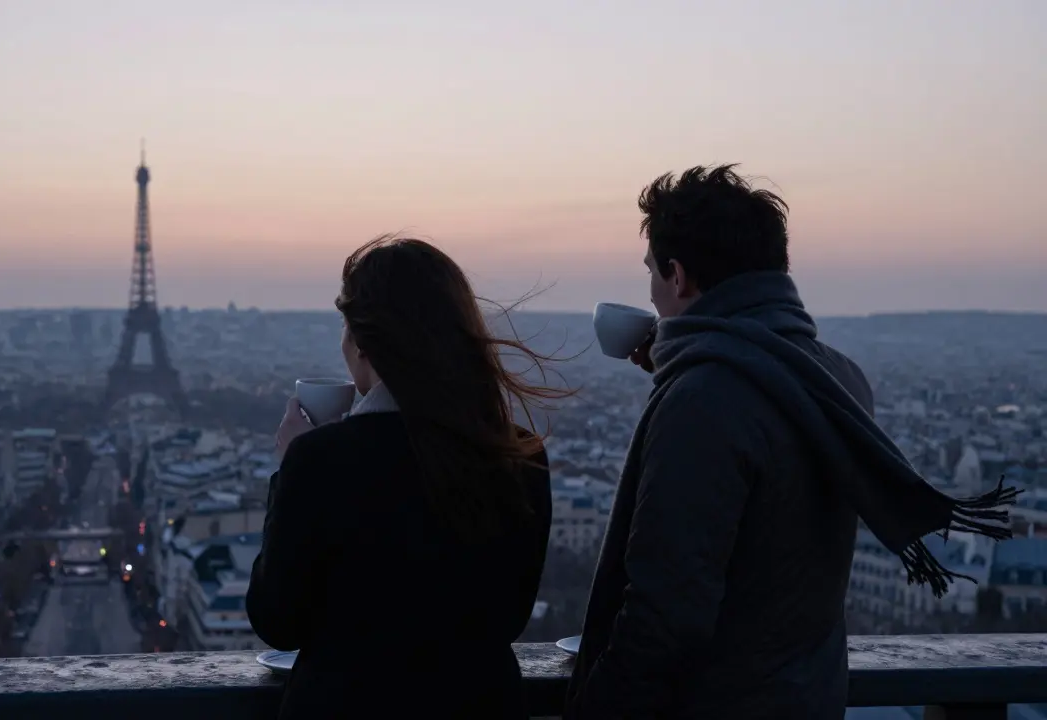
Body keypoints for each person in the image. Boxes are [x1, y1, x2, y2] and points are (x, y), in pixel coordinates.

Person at [565, 165, 1019, 720]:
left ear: (678, 277)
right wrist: (686, 367)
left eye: (653, 276)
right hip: (809, 698)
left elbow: (666, 614)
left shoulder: (703, 403)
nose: (653, 296)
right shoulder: (837, 378)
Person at [246, 235, 569, 719]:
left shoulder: (321, 461)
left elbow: (278, 619)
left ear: (361, 343)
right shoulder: (519, 454)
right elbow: (508, 617)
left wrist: (292, 465)